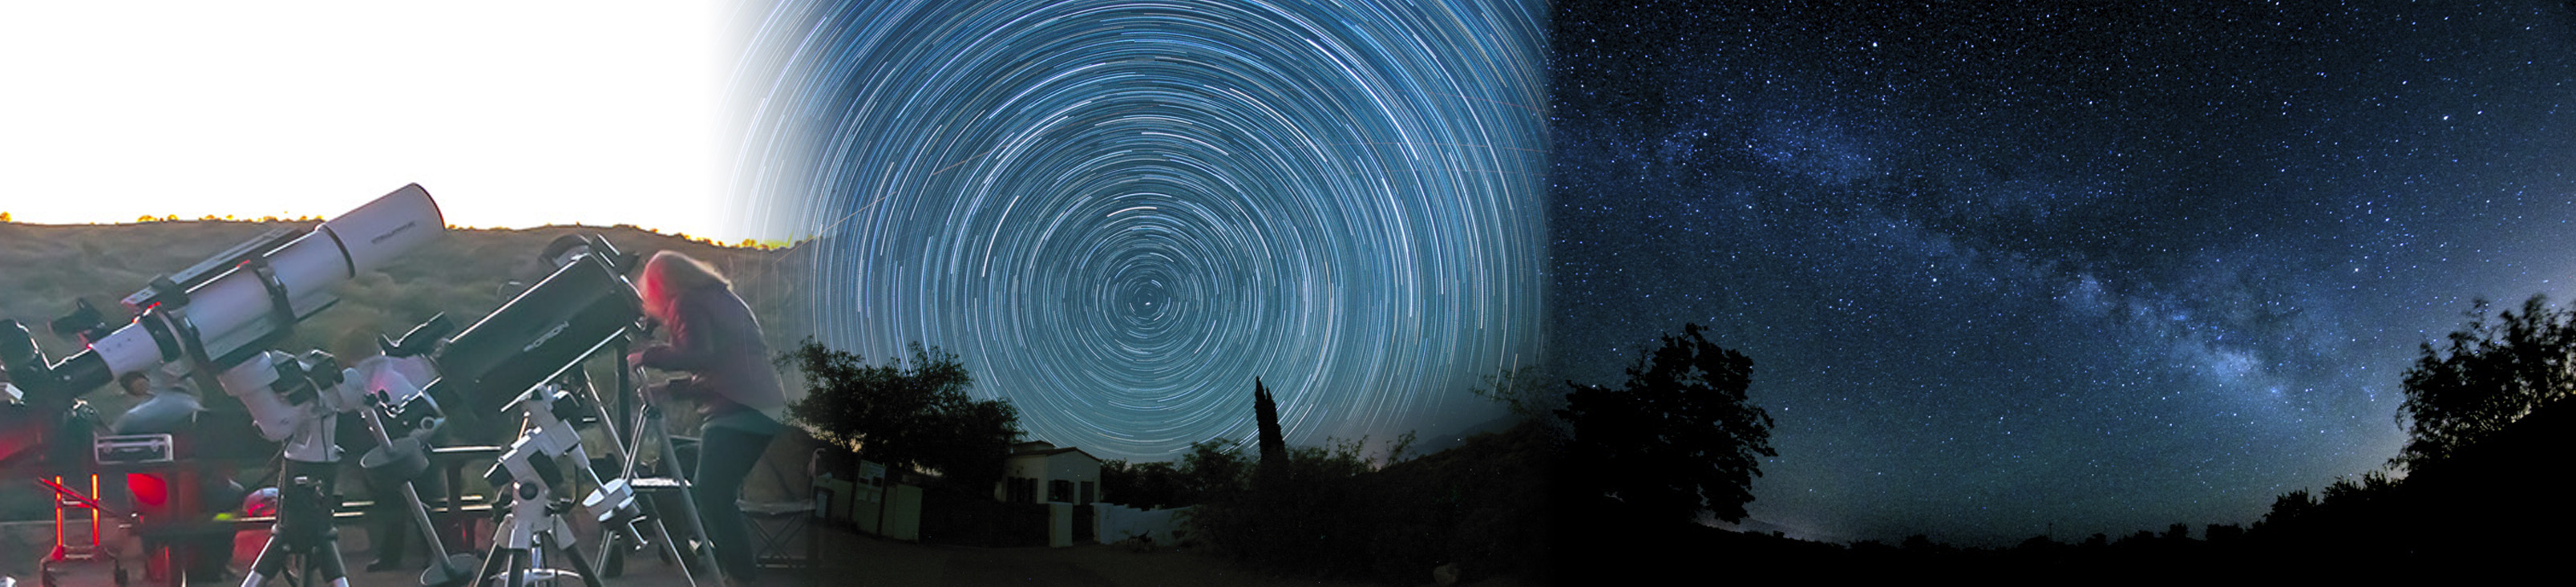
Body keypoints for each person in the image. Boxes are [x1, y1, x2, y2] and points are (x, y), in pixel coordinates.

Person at [627, 250, 784, 585]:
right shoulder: (721, 299)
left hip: (737, 412)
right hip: (759, 407)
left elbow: (698, 355)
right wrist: (668, 390)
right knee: (686, 465)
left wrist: (646, 356)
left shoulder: (686, 302)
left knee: (712, 493)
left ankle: (739, 576)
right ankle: (699, 551)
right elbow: (718, 367)